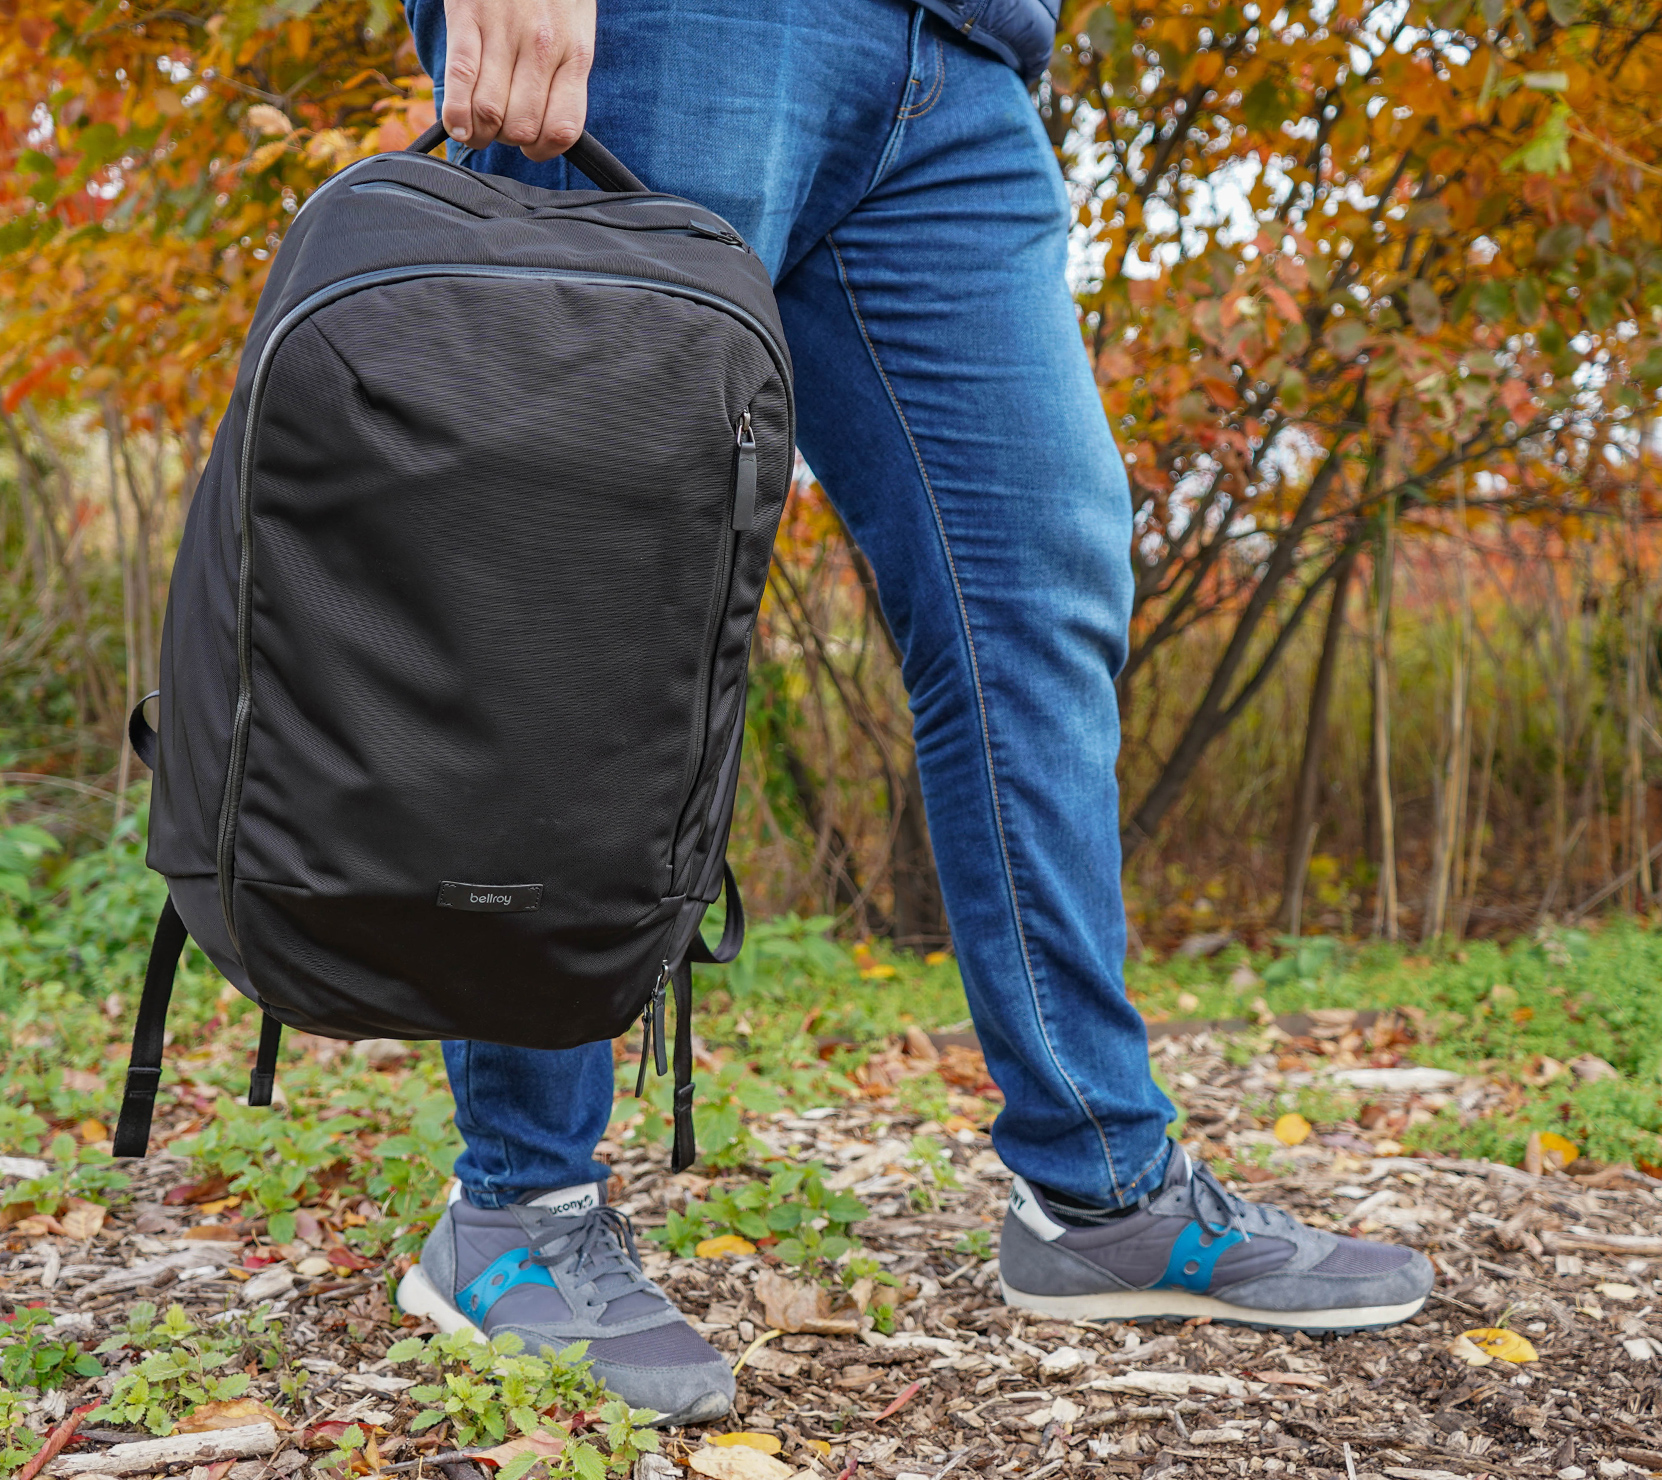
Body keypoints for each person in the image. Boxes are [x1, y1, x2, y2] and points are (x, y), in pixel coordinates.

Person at [388, 0, 1435, 1425]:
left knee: (1039, 576)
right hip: (679, 25)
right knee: (593, 562)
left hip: (956, 55)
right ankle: (516, 1207)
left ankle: (1102, 1188)